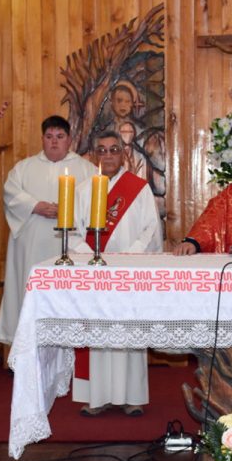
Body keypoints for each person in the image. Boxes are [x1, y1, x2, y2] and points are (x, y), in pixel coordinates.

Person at [70, 131, 162, 416]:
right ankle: (98, 397)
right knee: (98, 333)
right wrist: (89, 254)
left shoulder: (139, 188)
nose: (108, 156)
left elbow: (151, 228)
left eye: (113, 150)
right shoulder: (84, 189)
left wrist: (129, 255)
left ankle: (132, 396)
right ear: (94, 155)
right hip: (95, 270)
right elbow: (71, 229)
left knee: (128, 332)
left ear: (123, 153)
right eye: (102, 150)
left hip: (129, 270)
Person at [0, 116, 98, 346]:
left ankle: (70, 350)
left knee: (68, 295)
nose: (54, 142)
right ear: (42, 139)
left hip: (71, 245)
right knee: (28, 291)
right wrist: (35, 206)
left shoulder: (86, 169)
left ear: (69, 139)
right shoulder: (24, 168)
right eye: (49, 137)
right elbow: (10, 194)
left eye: (59, 137)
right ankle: (26, 349)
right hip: (31, 244)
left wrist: (70, 208)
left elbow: (96, 203)